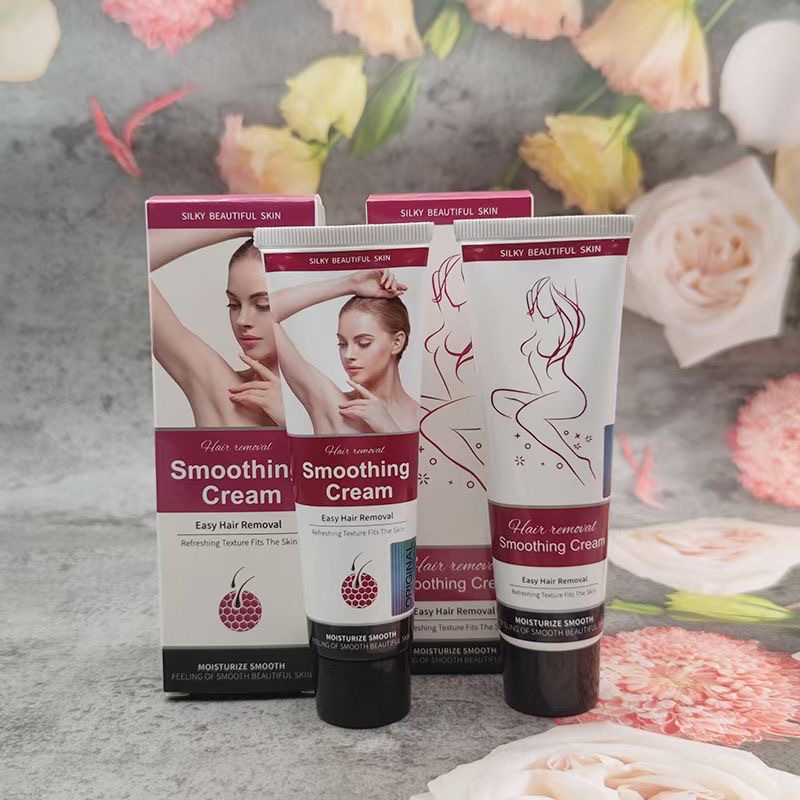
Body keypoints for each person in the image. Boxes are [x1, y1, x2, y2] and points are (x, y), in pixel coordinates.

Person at [149, 228, 284, 428]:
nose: (242, 320)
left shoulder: (331, 398)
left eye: (263, 305)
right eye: (234, 305)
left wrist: (299, 421)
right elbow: (129, 262)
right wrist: (243, 221)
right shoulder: (219, 389)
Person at [270, 269, 418, 434]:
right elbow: (267, 314)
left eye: (363, 343)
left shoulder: (422, 415)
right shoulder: (333, 407)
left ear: (397, 342)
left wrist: (388, 429)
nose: (348, 355)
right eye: (342, 343)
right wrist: (349, 284)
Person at [491, 276, 596, 485]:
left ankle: (576, 461)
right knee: (499, 399)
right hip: (548, 395)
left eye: (538, 299)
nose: (533, 303)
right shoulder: (537, 332)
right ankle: (541, 443)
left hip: (568, 396)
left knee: (527, 416)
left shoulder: (556, 333)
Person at [419, 253, 486, 489]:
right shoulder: (442, 329)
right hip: (455, 402)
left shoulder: (474, 325)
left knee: (433, 424)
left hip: (477, 404)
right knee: (416, 410)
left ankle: (483, 476)